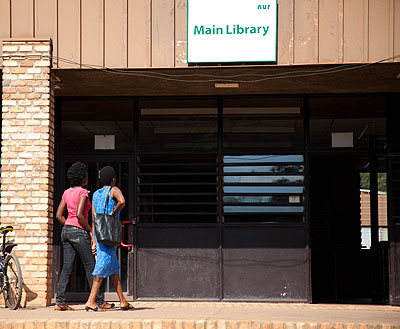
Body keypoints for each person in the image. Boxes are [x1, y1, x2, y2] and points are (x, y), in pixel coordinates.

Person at [55, 162, 114, 311]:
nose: (87, 176)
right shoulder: (83, 192)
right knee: (90, 266)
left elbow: (58, 215)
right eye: (86, 175)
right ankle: (98, 301)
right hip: (79, 232)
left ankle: (60, 301)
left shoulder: (67, 192)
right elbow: (81, 215)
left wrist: (68, 224)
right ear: (82, 177)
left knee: (67, 267)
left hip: (66, 231)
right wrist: (88, 230)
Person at [84, 165, 133, 311]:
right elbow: (122, 201)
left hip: (99, 234)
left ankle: (123, 301)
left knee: (113, 268)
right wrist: (113, 212)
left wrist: (93, 238)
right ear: (113, 179)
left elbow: (93, 219)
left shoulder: (95, 194)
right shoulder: (114, 189)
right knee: (102, 266)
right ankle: (91, 301)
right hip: (109, 233)